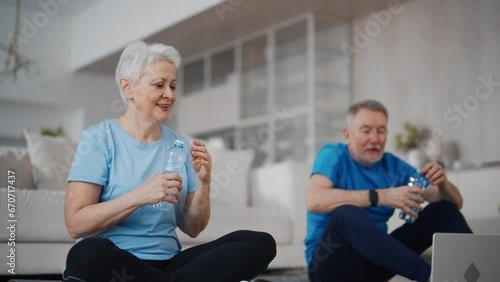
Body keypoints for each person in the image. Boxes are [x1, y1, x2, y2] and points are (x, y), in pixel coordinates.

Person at [63, 41, 276, 282]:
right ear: (128, 87)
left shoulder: (180, 145)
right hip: (115, 261)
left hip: (169, 264)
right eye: (159, 85)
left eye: (173, 86)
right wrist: (141, 195)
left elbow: (193, 228)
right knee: (86, 254)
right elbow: (76, 224)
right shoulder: (99, 138)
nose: (170, 95)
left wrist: (204, 182)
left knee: (259, 243)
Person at [305, 100, 472, 282]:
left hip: (372, 265)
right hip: (329, 266)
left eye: (381, 131)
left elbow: (456, 203)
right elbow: (315, 200)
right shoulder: (333, 155)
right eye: (366, 130)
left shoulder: (392, 165)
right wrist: (382, 196)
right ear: (347, 134)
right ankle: (433, 277)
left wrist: (443, 183)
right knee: (346, 212)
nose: (375, 139)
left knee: (443, 211)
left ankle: (477, 272)